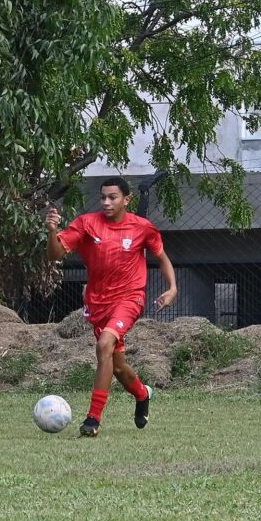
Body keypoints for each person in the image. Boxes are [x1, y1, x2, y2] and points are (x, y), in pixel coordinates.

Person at [45, 176, 177, 437]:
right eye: (103, 197)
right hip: (98, 302)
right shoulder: (87, 224)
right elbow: (55, 254)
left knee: (104, 344)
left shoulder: (143, 228)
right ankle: (142, 394)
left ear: (127, 200)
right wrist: (51, 232)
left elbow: (162, 258)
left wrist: (172, 288)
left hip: (130, 298)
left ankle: (93, 420)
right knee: (116, 366)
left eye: (112, 197)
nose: (106, 202)